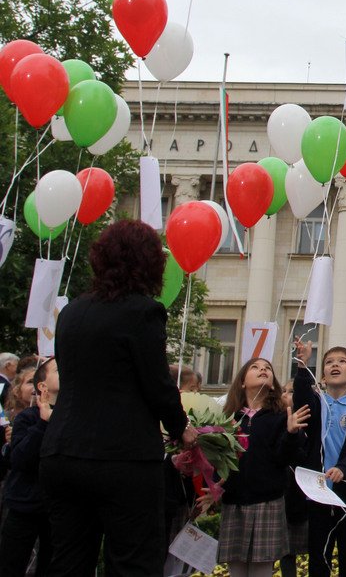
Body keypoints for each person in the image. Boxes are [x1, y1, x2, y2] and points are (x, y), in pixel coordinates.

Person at [40, 220, 196, 576]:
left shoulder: (71, 313)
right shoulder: (143, 312)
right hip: (121, 457)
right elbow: (157, 384)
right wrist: (181, 428)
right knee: (133, 562)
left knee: (67, 560)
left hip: (61, 452)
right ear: (149, 263)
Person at [218, 358, 311, 577]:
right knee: (236, 571)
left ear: (272, 383)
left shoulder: (280, 417)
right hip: (234, 502)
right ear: (242, 382)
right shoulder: (227, 418)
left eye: (268, 368)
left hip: (267, 502)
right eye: (255, 367)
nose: (263, 370)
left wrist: (290, 434)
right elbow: (218, 461)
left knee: (261, 571)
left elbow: (285, 459)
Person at [292, 340, 346, 577]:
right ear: (324, 376)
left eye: (341, 361)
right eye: (329, 362)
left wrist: (344, 469)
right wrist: (301, 364)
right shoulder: (317, 403)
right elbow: (301, 402)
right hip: (317, 494)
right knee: (319, 557)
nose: (334, 365)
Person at [0, 357, 57, 577]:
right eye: (57, 370)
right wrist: (43, 424)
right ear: (41, 386)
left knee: (51, 565)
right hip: (24, 504)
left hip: (54, 505)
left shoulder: (67, 416)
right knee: (12, 562)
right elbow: (21, 459)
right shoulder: (27, 418)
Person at [278, 379, 309, 577]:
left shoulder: (310, 426)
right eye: (285, 391)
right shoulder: (275, 422)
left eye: (292, 392)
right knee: (286, 554)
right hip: (284, 496)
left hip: (303, 497)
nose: (287, 395)